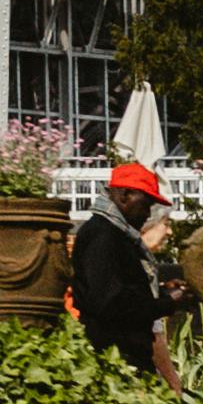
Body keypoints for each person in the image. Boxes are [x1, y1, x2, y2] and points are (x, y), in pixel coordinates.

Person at [67, 158, 170, 371]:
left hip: (119, 356)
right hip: (115, 359)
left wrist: (164, 294)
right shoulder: (103, 235)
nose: (148, 214)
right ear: (124, 196)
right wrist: (167, 303)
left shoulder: (110, 233)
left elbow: (122, 292)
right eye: (146, 204)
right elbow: (112, 304)